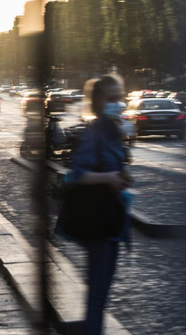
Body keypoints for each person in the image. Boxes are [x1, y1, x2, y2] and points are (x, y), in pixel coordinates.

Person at [62, 75, 132, 335]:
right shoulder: (95, 132)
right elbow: (77, 174)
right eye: (110, 98)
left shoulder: (113, 129)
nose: (118, 103)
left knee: (99, 293)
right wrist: (110, 178)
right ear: (98, 102)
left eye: (119, 97)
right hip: (99, 222)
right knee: (97, 295)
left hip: (111, 221)